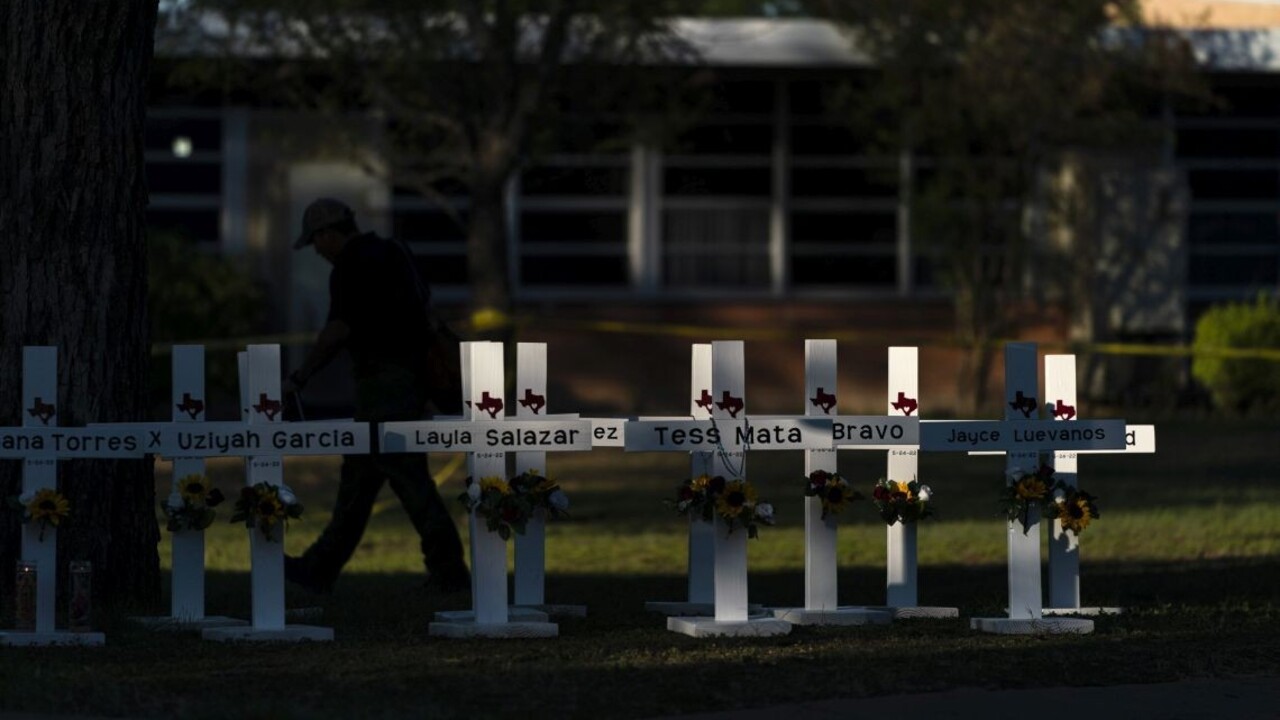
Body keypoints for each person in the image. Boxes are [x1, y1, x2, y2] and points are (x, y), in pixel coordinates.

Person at [282, 197, 469, 595]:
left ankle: (449, 569)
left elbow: (338, 330)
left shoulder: (350, 265)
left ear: (328, 233)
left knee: (406, 475)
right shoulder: (395, 251)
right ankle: (318, 568)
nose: (317, 250)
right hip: (411, 377)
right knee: (359, 480)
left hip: (384, 384)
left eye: (316, 241)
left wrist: (300, 376)